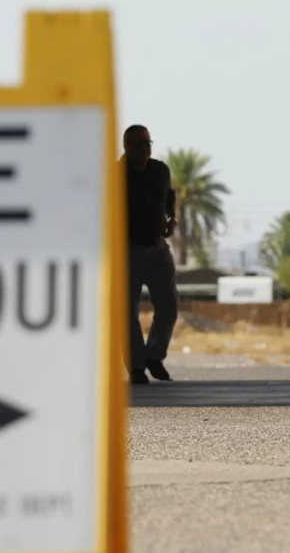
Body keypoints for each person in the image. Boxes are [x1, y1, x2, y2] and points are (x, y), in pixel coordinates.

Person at [123, 125, 179, 385]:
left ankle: (154, 356)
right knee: (128, 312)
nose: (144, 150)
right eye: (137, 145)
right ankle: (136, 368)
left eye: (147, 144)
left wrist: (173, 218)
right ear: (126, 147)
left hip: (158, 248)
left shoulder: (160, 170)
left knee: (169, 305)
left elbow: (170, 197)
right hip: (127, 251)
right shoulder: (115, 175)